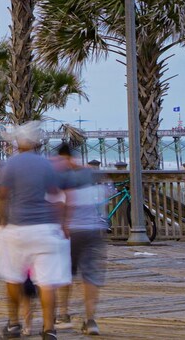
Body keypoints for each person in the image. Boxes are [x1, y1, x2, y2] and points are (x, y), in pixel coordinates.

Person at [0, 122, 70, 339]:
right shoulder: (46, 165)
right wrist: (61, 222)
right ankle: (49, 328)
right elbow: (56, 194)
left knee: (13, 277)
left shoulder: (11, 164)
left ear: (19, 142)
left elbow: (2, 195)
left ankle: (13, 323)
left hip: (17, 227)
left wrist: (2, 219)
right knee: (47, 282)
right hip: (45, 228)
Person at [55, 143, 106, 336]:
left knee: (65, 274)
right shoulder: (91, 174)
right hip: (93, 230)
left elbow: (59, 204)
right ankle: (90, 320)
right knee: (90, 275)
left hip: (70, 232)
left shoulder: (61, 177)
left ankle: (63, 314)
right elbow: (103, 198)